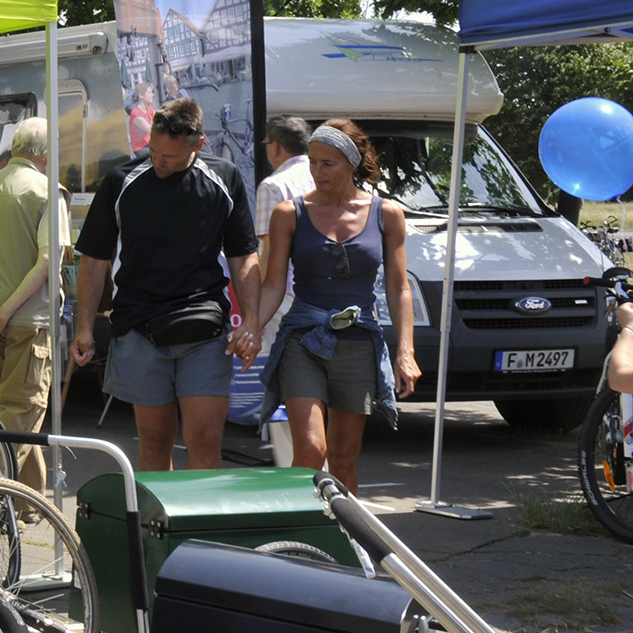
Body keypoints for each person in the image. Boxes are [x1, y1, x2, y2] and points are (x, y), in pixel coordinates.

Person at [71, 97, 259, 472]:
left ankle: (198, 529)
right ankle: (156, 528)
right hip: (139, 328)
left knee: (205, 442)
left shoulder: (224, 178)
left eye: (170, 156)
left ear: (198, 145)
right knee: (155, 442)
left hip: (204, 331)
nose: (159, 161)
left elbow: (244, 256)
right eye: (153, 150)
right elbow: (94, 259)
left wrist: (252, 323)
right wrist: (84, 328)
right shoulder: (122, 179)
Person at [253, 120, 419, 493]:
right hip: (303, 338)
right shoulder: (288, 213)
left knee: (344, 457)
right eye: (312, 161)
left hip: (358, 341)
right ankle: (298, 535)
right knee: (312, 448)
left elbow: (398, 286)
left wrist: (405, 352)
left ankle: (347, 541)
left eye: (327, 163)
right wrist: (251, 327)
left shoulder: (387, 213)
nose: (317, 171)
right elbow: (274, 283)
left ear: (351, 162)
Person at [0, 118, 70, 493]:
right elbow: (47, 262)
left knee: (7, 410)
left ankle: (27, 505)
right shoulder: (48, 192)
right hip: (26, 319)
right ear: (43, 152)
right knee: (20, 415)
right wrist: (6, 312)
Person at [252, 116, 315, 355]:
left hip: (284, 296)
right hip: (321, 293)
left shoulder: (273, 186)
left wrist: (257, 310)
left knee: (286, 368)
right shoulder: (322, 179)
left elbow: (269, 251)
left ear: (276, 146)